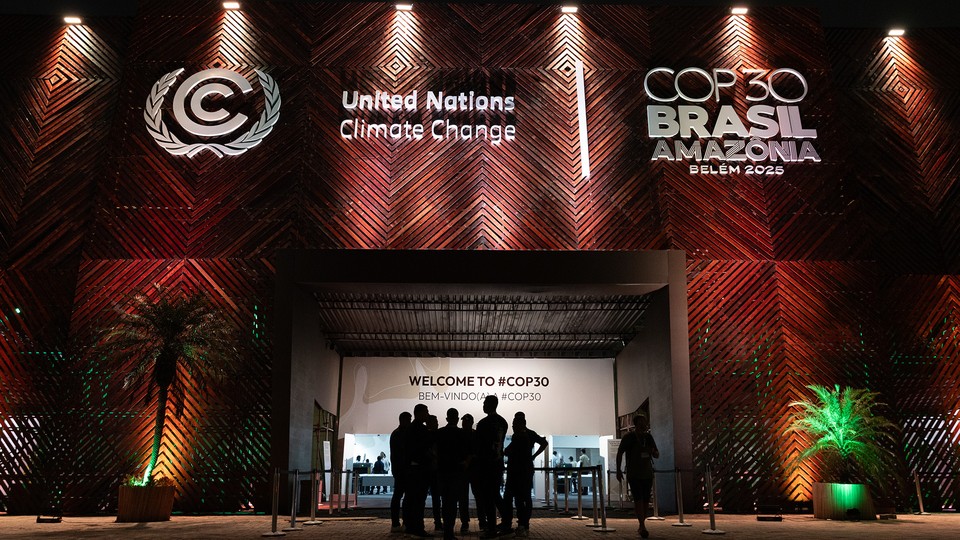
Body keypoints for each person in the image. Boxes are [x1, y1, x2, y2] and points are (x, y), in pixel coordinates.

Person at [501, 412, 547, 538]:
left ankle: (518, 524)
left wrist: (533, 456)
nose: (513, 426)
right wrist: (533, 456)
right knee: (523, 498)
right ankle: (521, 524)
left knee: (517, 498)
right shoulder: (529, 434)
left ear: (521, 423)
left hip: (517, 471)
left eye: (515, 423)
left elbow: (509, 451)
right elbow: (544, 443)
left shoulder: (521, 436)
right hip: (524, 470)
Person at [616, 415, 659, 539]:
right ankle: (642, 524)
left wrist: (653, 452)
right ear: (636, 424)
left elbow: (657, 454)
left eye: (645, 422)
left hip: (647, 473)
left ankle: (642, 523)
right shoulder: (629, 437)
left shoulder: (648, 437)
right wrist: (618, 470)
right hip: (634, 473)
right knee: (638, 499)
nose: (645, 424)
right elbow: (620, 453)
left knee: (645, 500)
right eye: (642, 422)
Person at [475, 395, 508, 539]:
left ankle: (492, 528)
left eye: (484, 403)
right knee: (495, 495)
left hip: (486, 465)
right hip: (498, 464)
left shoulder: (483, 423)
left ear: (490, 404)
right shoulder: (503, 422)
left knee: (488, 497)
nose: (483, 405)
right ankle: (506, 523)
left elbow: (479, 447)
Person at [435, 408, 469, 540]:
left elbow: (434, 450)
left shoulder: (440, 433)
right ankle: (450, 531)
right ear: (457, 418)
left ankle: (447, 531)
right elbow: (467, 453)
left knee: (445, 502)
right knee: (453, 502)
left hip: (443, 471)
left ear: (447, 418)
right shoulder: (462, 434)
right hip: (457, 472)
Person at [402, 404, 432, 538]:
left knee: (411, 499)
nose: (428, 414)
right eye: (426, 411)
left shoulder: (410, 429)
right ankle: (418, 528)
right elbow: (422, 449)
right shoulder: (420, 429)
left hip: (413, 469)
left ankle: (410, 526)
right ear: (419, 413)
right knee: (418, 500)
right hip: (419, 470)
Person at [389, 411, 412, 533]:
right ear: (403, 420)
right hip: (403, 470)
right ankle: (400, 523)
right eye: (409, 419)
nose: (410, 422)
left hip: (399, 470)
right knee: (402, 497)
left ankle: (397, 523)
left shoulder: (396, 433)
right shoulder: (400, 434)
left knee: (398, 497)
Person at [461, 413, 482, 533]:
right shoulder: (473, 434)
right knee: (465, 498)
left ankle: (480, 522)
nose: (464, 424)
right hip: (469, 470)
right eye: (464, 421)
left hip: (472, 470)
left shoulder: (472, 435)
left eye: (466, 421)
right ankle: (466, 522)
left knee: (477, 497)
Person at [426, 414, 442, 532]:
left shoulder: (426, 435)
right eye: (434, 422)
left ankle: (437, 522)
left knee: (436, 499)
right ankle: (438, 523)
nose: (436, 424)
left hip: (432, 470)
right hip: (432, 470)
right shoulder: (437, 435)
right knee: (436, 499)